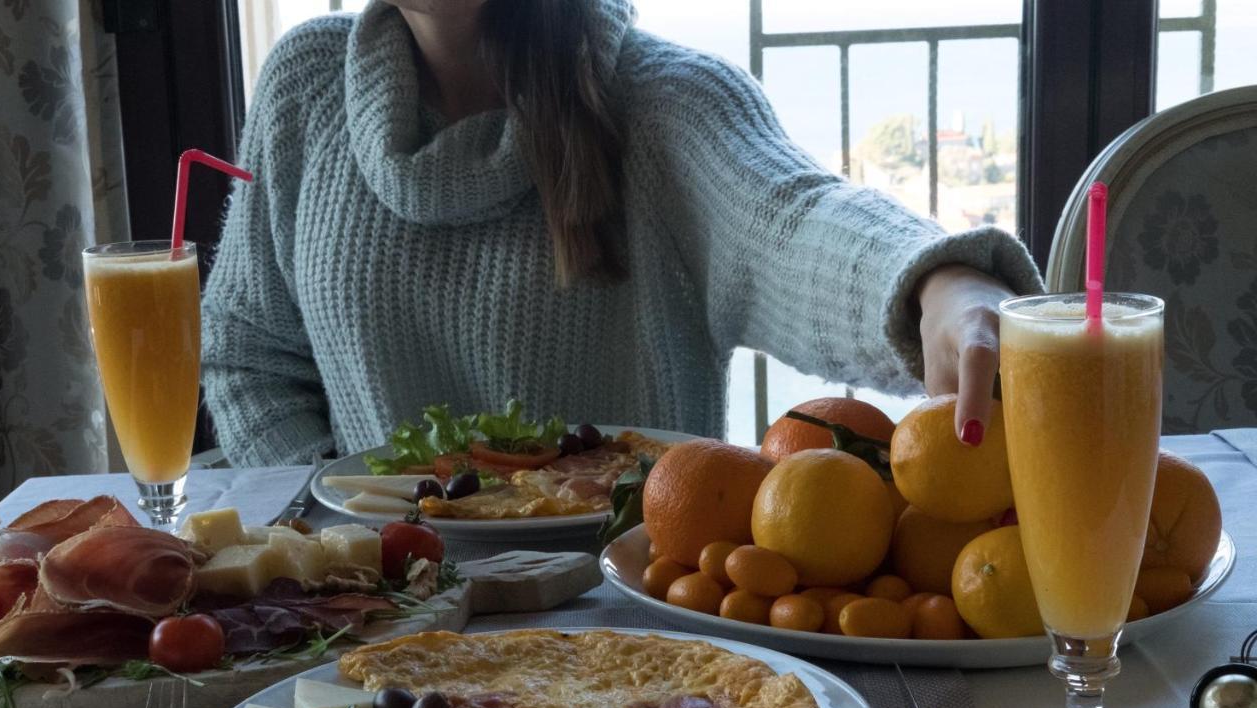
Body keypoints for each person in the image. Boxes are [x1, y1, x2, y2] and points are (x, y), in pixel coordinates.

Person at [202, 0, 1041, 467]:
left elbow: (794, 219)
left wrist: (942, 283)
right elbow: (248, 355)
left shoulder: (660, 101)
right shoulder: (303, 87)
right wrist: (333, 518)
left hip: (627, 649)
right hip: (382, 637)